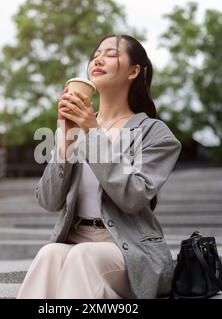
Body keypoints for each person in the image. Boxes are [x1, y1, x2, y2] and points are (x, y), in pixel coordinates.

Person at [16, 34, 182, 299]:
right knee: (49, 253)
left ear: (134, 71)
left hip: (131, 250)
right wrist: (65, 138)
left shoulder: (155, 133)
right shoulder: (77, 129)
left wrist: (92, 133)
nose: (99, 58)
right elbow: (48, 201)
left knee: (82, 256)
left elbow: (133, 197)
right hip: (78, 238)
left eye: (111, 54)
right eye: (96, 54)